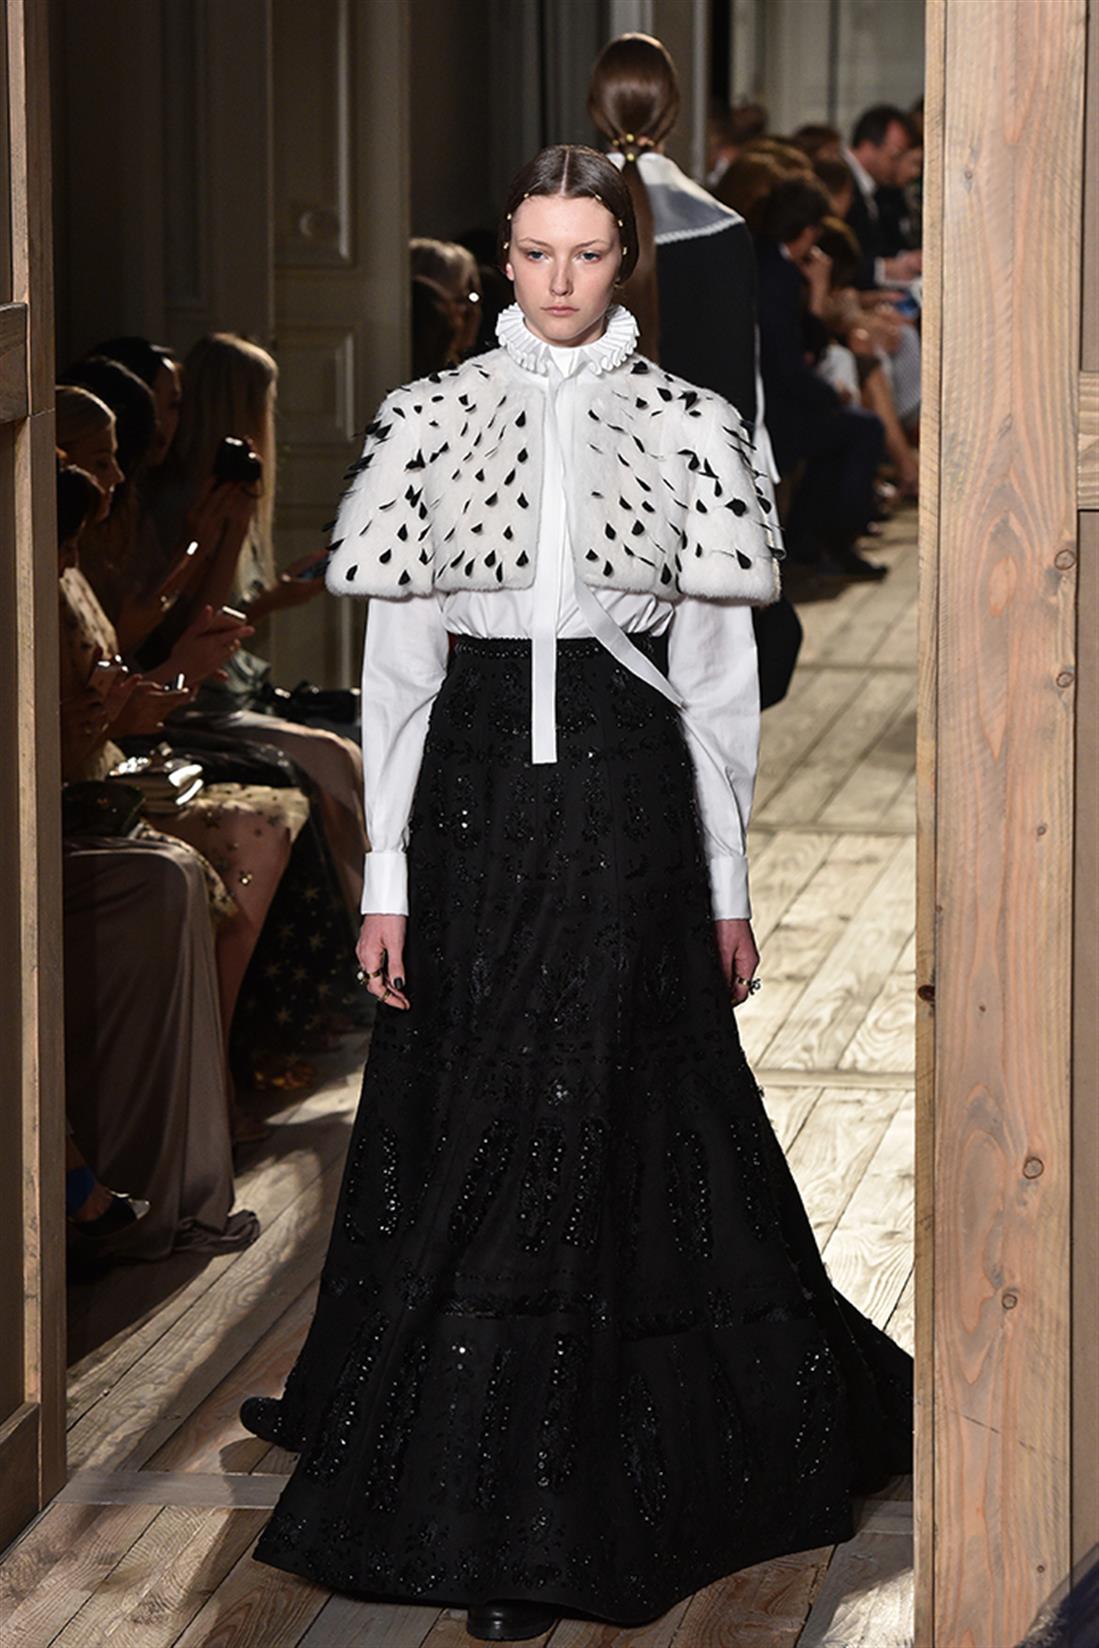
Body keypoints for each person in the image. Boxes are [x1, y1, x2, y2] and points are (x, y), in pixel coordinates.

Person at [240, 145, 911, 1641]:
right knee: (476, 1098)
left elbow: (717, 688)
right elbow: (398, 677)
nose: (558, 280)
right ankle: (473, 1460)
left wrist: (727, 885)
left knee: (598, 1106)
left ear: (623, 260)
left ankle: (546, 1504)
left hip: (625, 794)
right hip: (471, 795)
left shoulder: (687, 428)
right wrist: (387, 877)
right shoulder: (429, 420)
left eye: (586, 253)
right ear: (504, 260)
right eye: (534, 253)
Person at [589, 32, 757, 423]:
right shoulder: (724, 230)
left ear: (595, 109)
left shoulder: (551, 228)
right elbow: (740, 400)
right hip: (695, 457)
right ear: (673, 113)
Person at [753, 178, 888, 579]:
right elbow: (789, 362)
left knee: (841, 433)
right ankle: (836, 541)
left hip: (771, 398)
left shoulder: (761, 258)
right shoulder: (779, 275)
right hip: (772, 408)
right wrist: (831, 396)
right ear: (808, 231)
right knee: (863, 430)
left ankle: (809, 539)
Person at [843, 105, 923, 289]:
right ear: (868, 147)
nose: (898, 165)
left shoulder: (874, 188)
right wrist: (884, 269)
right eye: (895, 156)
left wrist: (903, 259)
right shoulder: (840, 179)